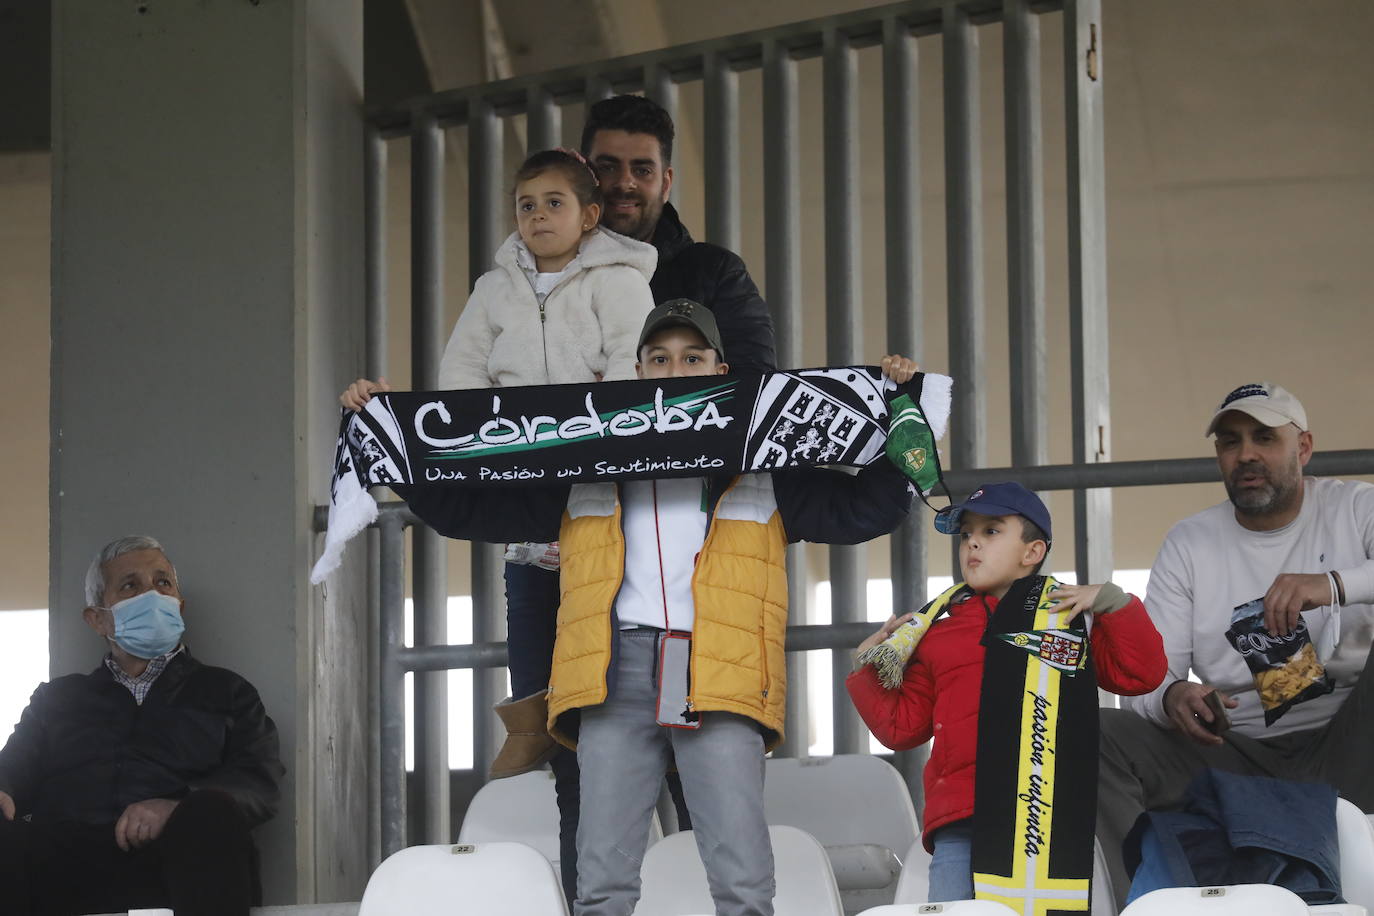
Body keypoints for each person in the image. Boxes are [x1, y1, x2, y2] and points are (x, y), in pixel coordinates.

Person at [391, 301, 916, 915]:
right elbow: (469, 509)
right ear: (638, 374)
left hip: (721, 672)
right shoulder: (583, 461)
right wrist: (389, 439)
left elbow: (868, 508)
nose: (676, 368)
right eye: (659, 358)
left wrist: (898, 405)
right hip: (616, 674)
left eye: (693, 357)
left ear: (722, 372)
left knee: (743, 882)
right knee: (603, 882)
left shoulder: (762, 468)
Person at [341, 147, 657, 900]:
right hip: (529, 537)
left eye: (554, 203)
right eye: (525, 204)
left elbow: (632, 378)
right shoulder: (492, 290)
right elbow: (460, 384)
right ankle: (591, 894)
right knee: (558, 726)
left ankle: (664, 882)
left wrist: (554, 432)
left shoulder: (622, 284)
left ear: (589, 216)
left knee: (632, 721)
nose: (538, 216)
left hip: (608, 528)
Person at [1098, 382, 1374, 907]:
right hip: (1234, 757)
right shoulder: (1189, 542)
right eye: (1230, 442)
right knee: (1100, 731)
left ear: (1304, 448)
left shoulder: (1356, 507)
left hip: (1353, 743)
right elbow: (1147, 676)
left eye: (1264, 438)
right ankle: (1137, 900)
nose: (1246, 454)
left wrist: (1333, 584)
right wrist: (1173, 696)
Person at [847, 483, 1166, 902]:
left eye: (991, 530)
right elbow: (901, 730)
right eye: (966, 535)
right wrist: (867, 667)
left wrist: (1112, 603)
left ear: (1032, 552)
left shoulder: (1069, 615)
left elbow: (1140, 675)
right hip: (960, 821)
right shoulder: (933, 634)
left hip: (1045, 819)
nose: (973, 542)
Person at [0, 535, 283, 916]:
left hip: (176, 864)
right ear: (98, 618)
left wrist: (180, 806)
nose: (152, 594)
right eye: (131, 585)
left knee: (211, 812)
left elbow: (259, 782)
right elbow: (13, 769)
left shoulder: (227, 692)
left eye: (162, 582)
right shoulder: (57, 700)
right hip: (66, 865)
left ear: (179, 606)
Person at [581, 94, 776, 376]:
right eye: (607, 167)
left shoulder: (717, 274)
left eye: (643, 170)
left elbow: (753, 388)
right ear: (584, 175)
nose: (625, 182)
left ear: (666, 183)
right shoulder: (537, 272)